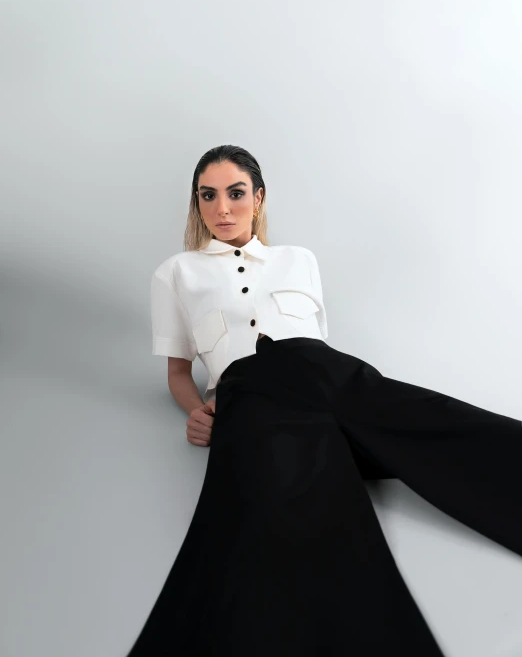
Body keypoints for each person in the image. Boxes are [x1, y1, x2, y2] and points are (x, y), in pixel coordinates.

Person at [126, 145, 522, 656]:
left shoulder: (299, 259)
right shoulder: (176, 273)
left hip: (325, 372)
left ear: (259, 197)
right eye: (208, 196)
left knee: (443, 423)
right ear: (196, 203)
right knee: (280, 508)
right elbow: (178, 372)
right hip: (248, 393)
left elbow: (317, 338)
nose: (222, 209)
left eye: (235, 193)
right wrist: (196, 411)